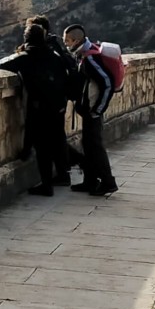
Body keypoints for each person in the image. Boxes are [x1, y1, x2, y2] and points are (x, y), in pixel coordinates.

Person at [0, 23, 71, 196]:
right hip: (58, 106)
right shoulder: (54, 56)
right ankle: (62, 175)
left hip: (39, 108)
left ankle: (46, 185)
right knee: (57, 141)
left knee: (42, 147)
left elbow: (2, 64)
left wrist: (20, 51)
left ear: (26, 38)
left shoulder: (26, 57)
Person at [63, 24, 119, 196]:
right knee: (87, 144)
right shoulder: (84, 54)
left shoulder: (91, 59)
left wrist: (98, 110)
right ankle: (90, 181)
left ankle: (108, 182)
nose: (66, 45)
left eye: (67, 41)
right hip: (89, 109)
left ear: (76, 40)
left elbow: (107, 84)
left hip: (93, 110)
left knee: (95, 146)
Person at [23, 14, 77, 183]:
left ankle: (54, 178)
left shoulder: (48, 48)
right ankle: (64, 174)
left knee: (47, 141)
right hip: (58, 100)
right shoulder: (53, 47)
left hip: (46, 101)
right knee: (57, 138)